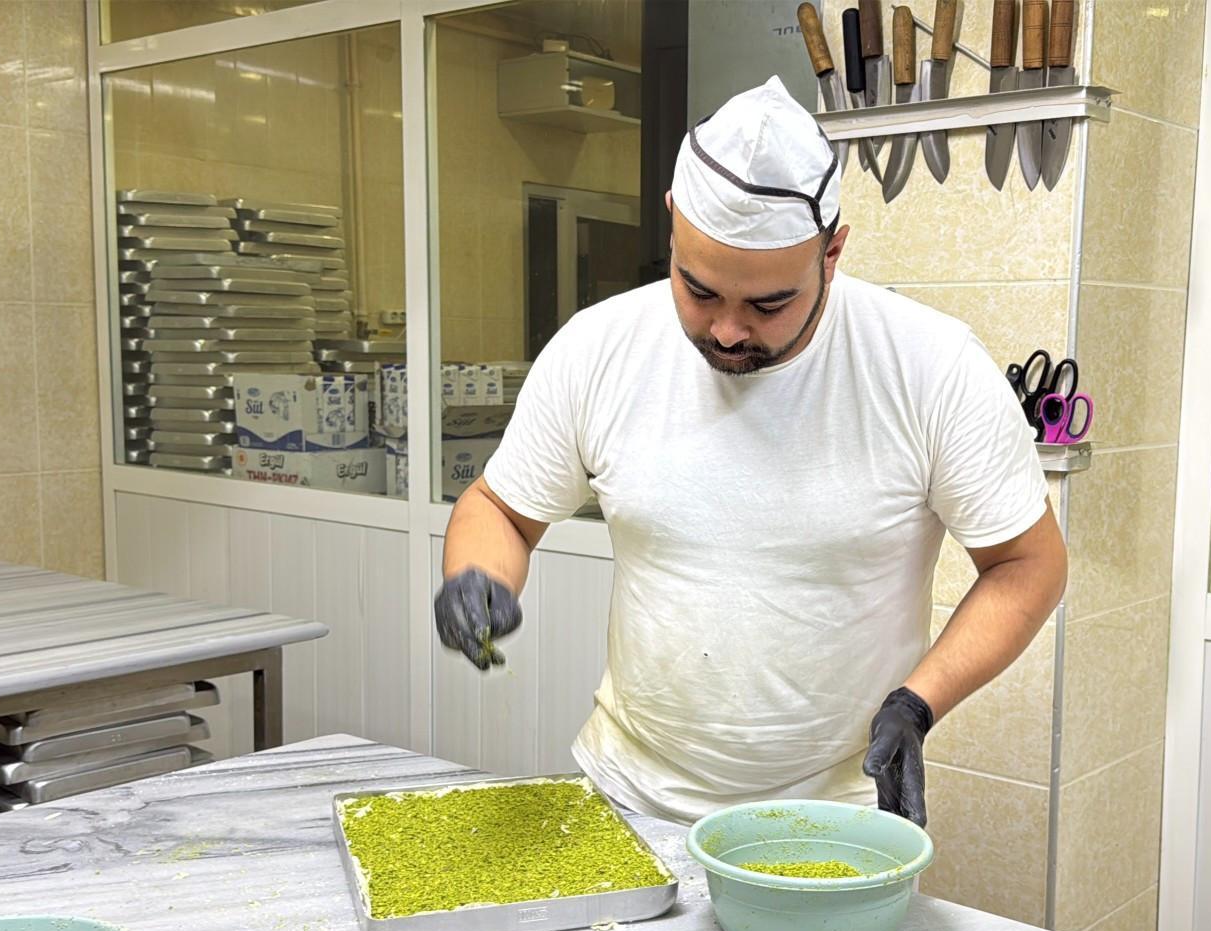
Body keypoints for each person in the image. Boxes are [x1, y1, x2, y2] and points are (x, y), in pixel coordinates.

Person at [434, 77, 1067, 827]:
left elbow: (1030, 565)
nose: (728, 330)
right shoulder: (597, 349)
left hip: (835, 816)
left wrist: (917, 702)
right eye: (698, 290)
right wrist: (475, 575)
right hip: (631, 800)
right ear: (673, 222)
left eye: (769, 304)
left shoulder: (929, 367)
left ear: (832, 251)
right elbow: (501, 510)